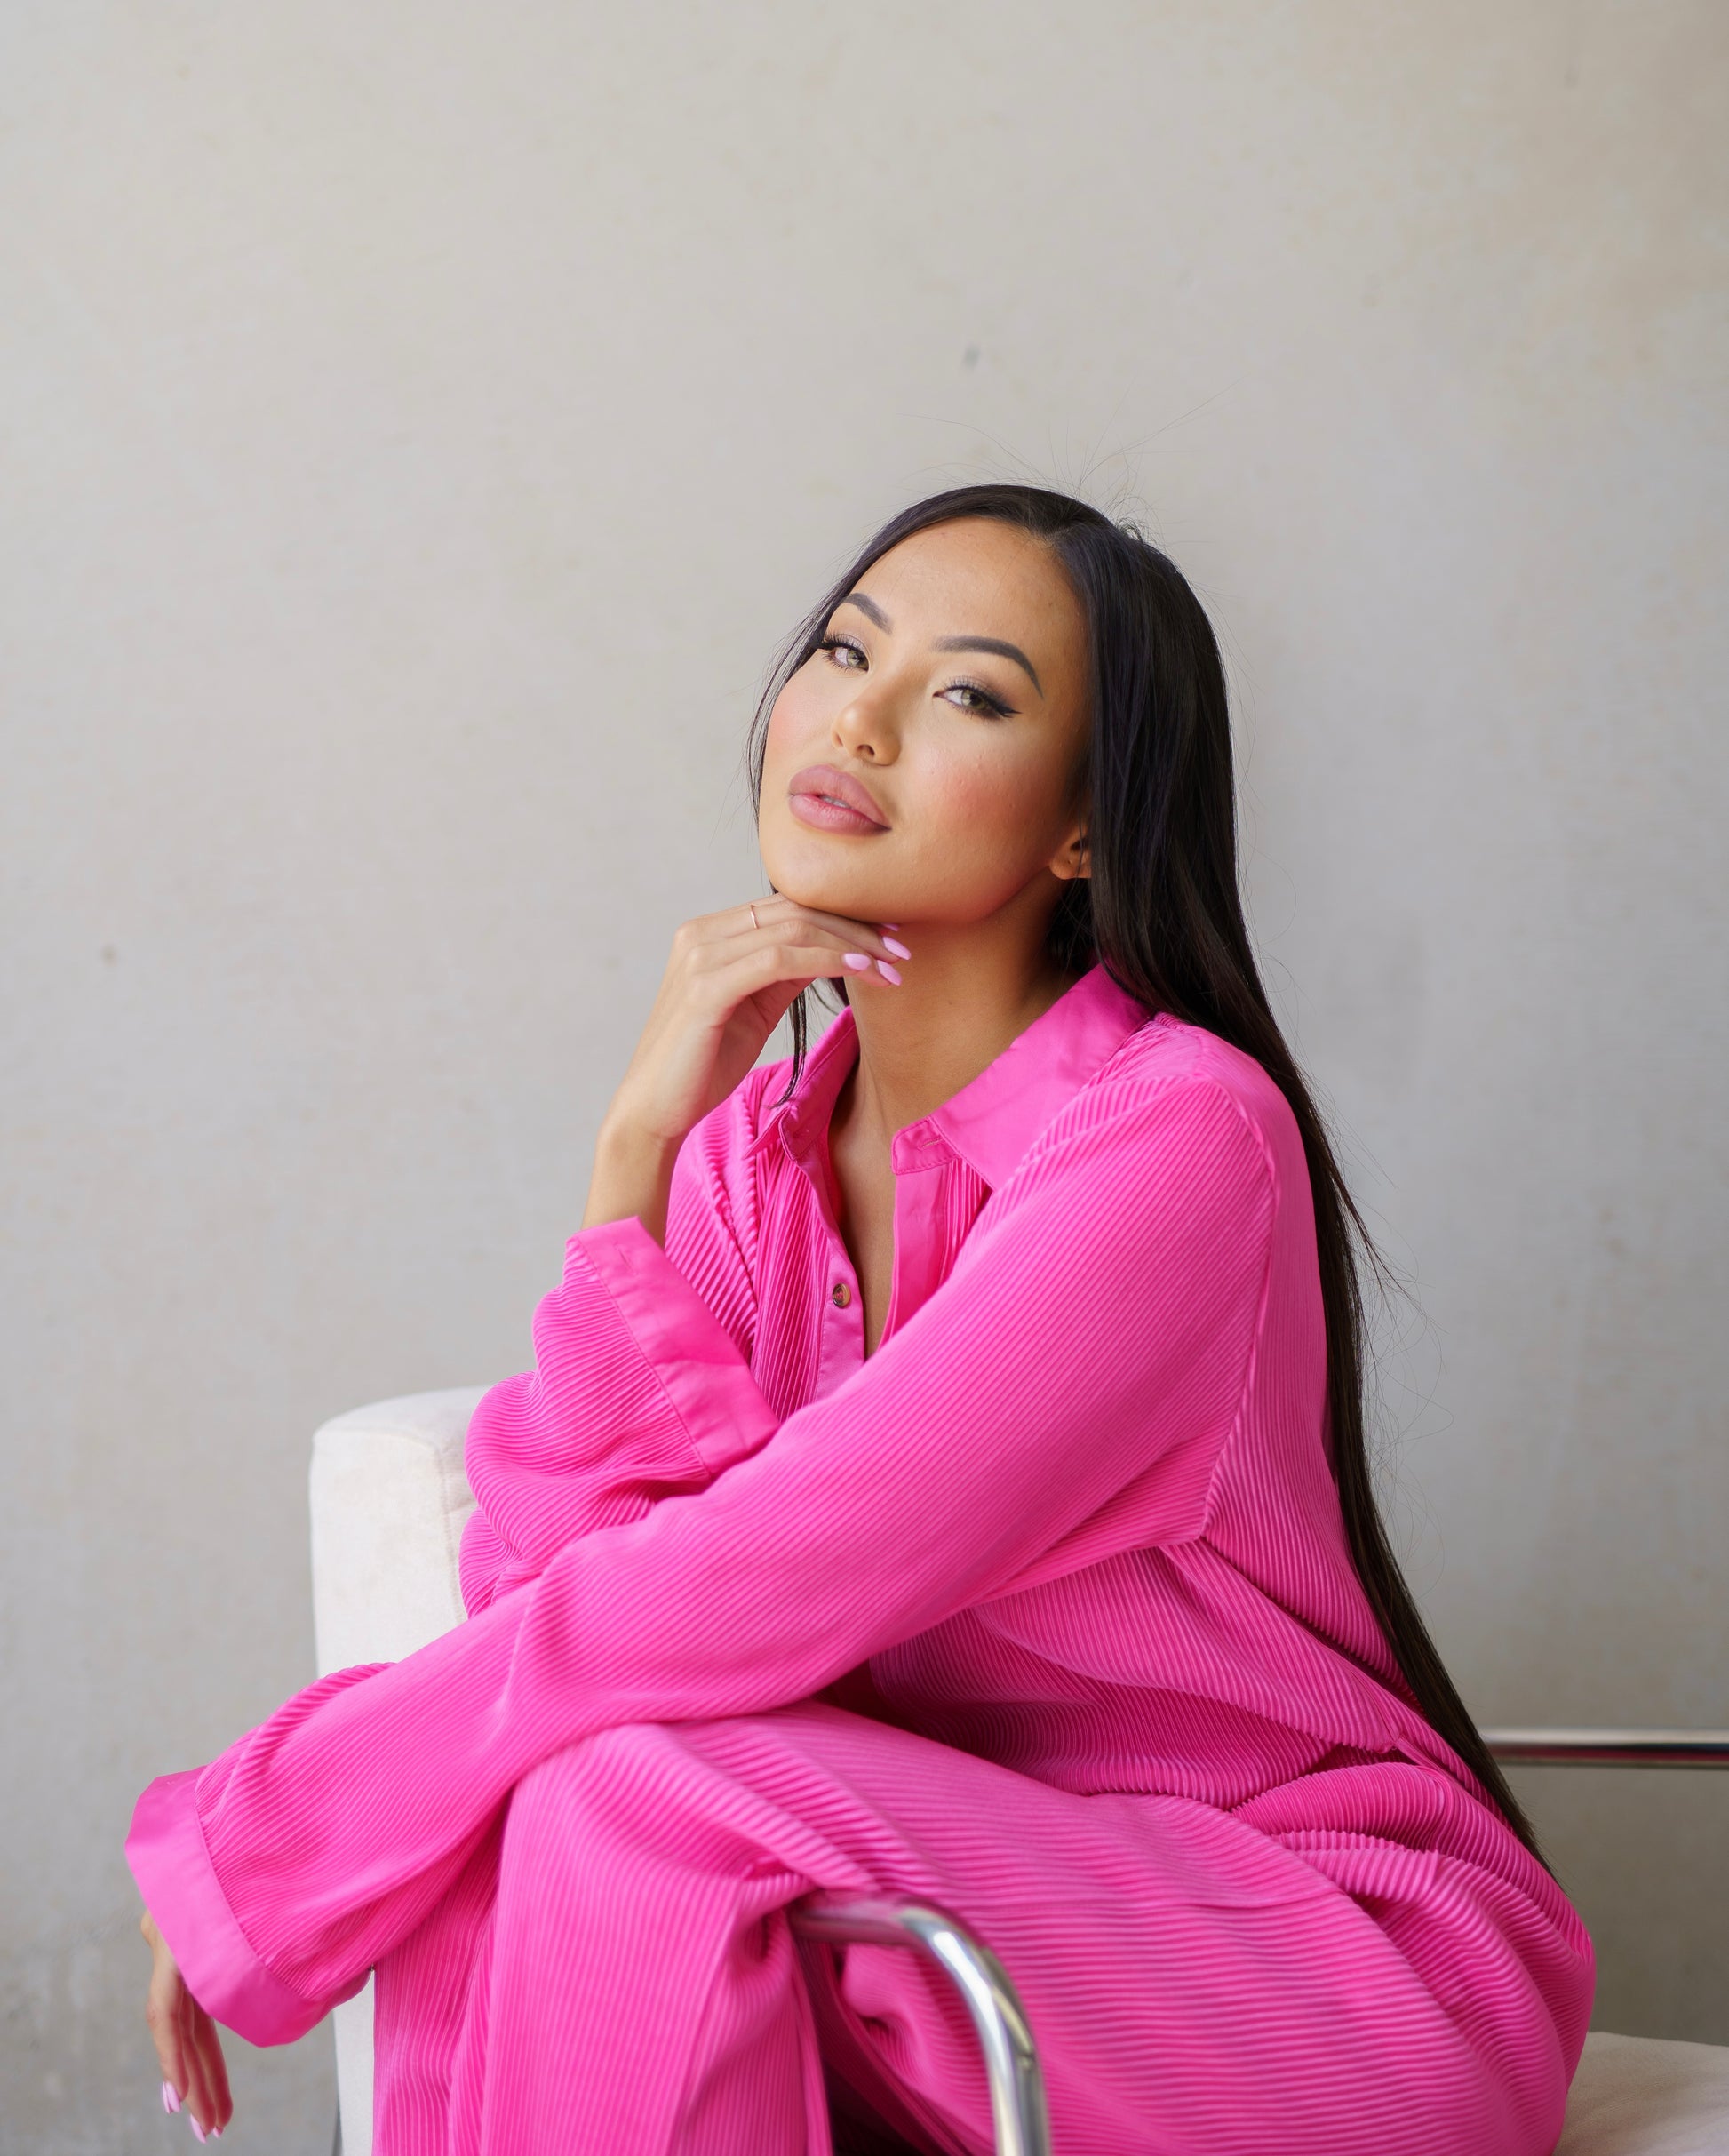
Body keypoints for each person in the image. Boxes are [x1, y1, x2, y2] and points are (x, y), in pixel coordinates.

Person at [129, 485, 1592, 2154]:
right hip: (932, 1932)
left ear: (1084, 828)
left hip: (1310, 1974)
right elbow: (567, 1573)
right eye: (842, 652)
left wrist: (285, 1828)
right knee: (536, 1794)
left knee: (612, 1785)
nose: (860, 720)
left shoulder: (1179, 1138)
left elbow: (760, 1577)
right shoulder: (754, 1159)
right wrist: (633, 1154)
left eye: (967, 693)